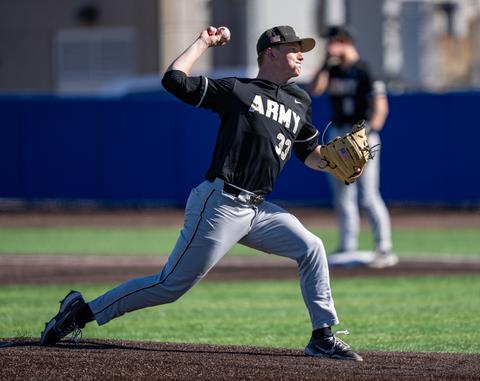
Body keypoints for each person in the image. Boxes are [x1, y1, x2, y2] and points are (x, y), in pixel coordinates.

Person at [40, 25, 362, 362]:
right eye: (295, 47)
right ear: (271, 52)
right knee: (169, 285)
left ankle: (322, 336)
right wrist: (203, 43)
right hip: (221, 203)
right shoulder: (239, 90)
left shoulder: (300, 100)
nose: (301, 53)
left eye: (303, 48)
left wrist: (332, 161)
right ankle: (78, 314)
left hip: (259, 210)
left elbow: (309, 153)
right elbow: (174, 81)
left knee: (312, 247)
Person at [310, 25, 397, 268]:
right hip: (338, 134)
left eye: (333, 41)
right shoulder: (333, 70)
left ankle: (384, 247)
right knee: (342, 194)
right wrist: (327, 63)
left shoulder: (365, 71)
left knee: (368, 195)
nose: (329, 46)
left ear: (344, 41)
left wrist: (368, 134)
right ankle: (348, 245)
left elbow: (381, 107)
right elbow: (315, 89)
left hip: (362, 134)